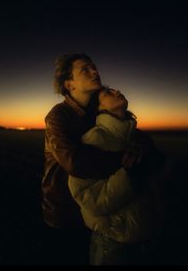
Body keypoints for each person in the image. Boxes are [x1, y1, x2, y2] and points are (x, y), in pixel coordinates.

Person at [42, 53, 138, 264]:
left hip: (96, 211)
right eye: (85, 69)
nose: (95, 71)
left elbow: (124, 133)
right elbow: (73, 162)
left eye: (94, 67)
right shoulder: (58, 116)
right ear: (69, 84)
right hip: (64, 211)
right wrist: (125, 161)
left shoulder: (99, 109)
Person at [68, 87, 168, 265]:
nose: (117, 91)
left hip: (146, 242)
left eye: (114, 90)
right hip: (114, 247)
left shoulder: (137, 137)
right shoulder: (95, 139)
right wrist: (130, 175)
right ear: (100, 109)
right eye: (107, 94)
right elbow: (87, 197)